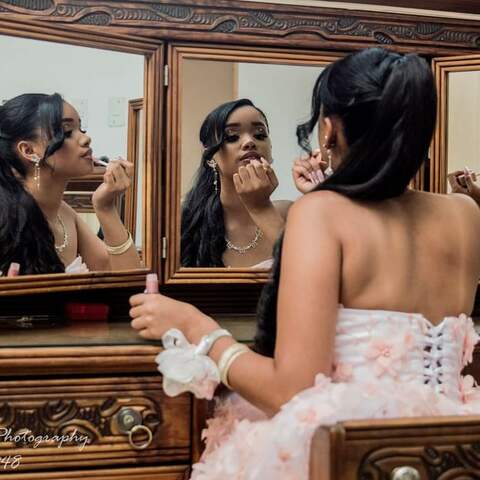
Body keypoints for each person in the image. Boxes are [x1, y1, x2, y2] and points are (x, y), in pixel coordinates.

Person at [130, 48, 480, 479]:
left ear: (329, 130)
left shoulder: (321, 213)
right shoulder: (465, 214)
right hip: (450, 453)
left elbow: (290, 391)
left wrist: (196, 327)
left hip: (347, 453)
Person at [0, 93, 141, 275]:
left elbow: (127, 278)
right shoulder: (5, 217)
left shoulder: (64, 213)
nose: (85, 139)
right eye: (66, 132)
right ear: (28, 150)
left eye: (81, 129)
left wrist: (105, 207)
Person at [181, 98, 292, 268]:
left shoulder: (290, 214)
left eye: (260, 135)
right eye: (232, 137)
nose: (249, 142)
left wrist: (262, 208)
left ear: (270, 149)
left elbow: (308, 273)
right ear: (210, 155)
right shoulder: (185, 218)